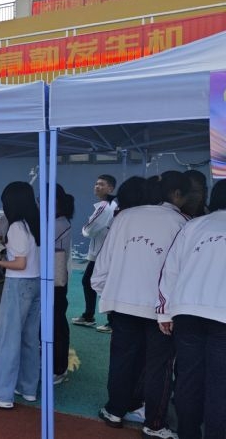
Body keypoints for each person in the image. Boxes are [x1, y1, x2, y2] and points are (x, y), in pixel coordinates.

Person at [92, 171, 189, 439]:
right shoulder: (181, 222)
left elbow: (103, 264)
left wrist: (108, 293)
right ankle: (154, 423)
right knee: (159, 366)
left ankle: (115, 410)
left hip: (122, 304)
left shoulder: (124, 217)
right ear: (175, 195)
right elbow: (181, 271)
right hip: (160, 310)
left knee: (122, 359)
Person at [157, 180, 226, 439]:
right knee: (220, 384)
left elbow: (170, 270)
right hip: (222, 316)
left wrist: (164, 312)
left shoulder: (194, 225)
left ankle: (187, 434)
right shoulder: (193, 225)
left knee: (188, 379)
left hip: (186, 312)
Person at [0, 181, 40, 409]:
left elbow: (19, 264)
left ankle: (1, 394)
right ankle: (28, 387)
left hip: (18, 284)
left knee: (6, 339)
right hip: (36, 283)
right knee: (29, 338)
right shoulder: (36, 223)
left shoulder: (16, 227)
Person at [73, 174, 117, 331]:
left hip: (101, 253)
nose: (97, 186)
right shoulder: (109, 205)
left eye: (102, 184)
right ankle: (90, 316)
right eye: (96, 183)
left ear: (110, 188)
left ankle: (108, 320)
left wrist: (84, 230)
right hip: (102, 252)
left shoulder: (104, 207)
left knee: (95, 283)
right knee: (90, 282)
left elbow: (89, 230)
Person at [53, 185, 75, 385]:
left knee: (56, 323)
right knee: (54, 322)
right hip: (54, 279)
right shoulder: (57, 221)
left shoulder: (59, 223)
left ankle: (59, 368)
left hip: (55, 280)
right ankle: (55, 363)